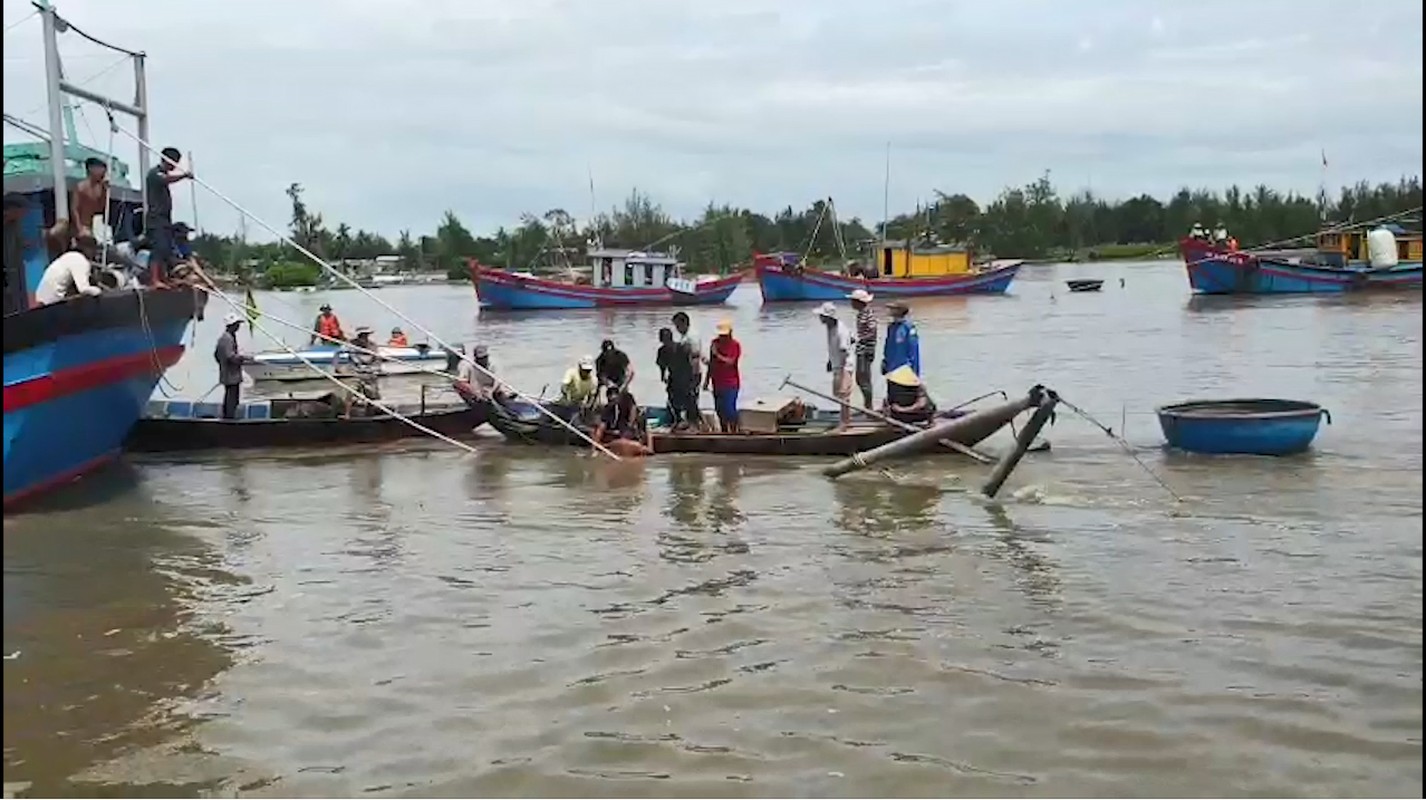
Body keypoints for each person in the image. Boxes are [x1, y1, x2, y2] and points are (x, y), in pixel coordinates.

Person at [144, 146, 193, 287]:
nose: (175, 165)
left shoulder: (162, 174)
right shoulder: (155, 174)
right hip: (155, 219)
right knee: (158, 248)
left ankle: (163, 278)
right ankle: (154, 280)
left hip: (165, 219)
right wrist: (184, 176)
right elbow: (166, 180)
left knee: (165, 249)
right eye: (174, 162)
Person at [817, 302, 854, 430]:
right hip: (837, 364)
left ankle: (845, 422)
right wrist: (830, 361)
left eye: (822, 316)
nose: (820, 318)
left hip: (844, 366)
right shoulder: (830, 327)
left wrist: (843, 371)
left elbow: (844, 350)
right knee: (837, 393)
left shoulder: (840, 330)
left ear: (828, 317)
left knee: (844, 394)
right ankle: (845, 417)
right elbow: (852, 339)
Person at [35, 235, 101, 306]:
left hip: (42, 297)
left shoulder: (69, 256)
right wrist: (99, 292)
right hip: (52, 302)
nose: (95, 252)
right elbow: (83, 288)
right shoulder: (81, 261)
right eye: (94, 249)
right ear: (89, 249)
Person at [656, 327, 699, 430]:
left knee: (684, 401)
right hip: (678, 378)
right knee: (679, 401)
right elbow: (662, 366)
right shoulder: (680, 347)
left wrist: (663, 376)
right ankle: (682, 421)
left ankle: (689, 422)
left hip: (682, 378)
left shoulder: (680, 348)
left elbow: (662, 366)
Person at [703, 319, 741, 433]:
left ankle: (735, 431)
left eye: (725, 335)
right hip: (717, 382)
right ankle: (724, 432)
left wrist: (717, 354)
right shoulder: (715, 343)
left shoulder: (735, 345)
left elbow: (731, 362)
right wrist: (706, 380)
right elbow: (712, 363)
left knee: (730, 410)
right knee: (720, 410)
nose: (722, 337)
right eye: (721, 335)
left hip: (731, 383)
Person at [593, 388, 654, 454]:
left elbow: (648, 433)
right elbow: (601, 427)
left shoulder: (634, 411)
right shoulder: (610, 409)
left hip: (629, 439)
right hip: (626, 439)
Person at [339, 326, 382, 416]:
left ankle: (370, 415)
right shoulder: (352, 345)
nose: (364, 338)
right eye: (362, 336)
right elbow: (351, 358)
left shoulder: (372, 345)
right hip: (356, 373)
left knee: (371, 395)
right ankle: (347, 414)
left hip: (369, 372)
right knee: (350, 392)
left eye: (366, 335)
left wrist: (374, 369)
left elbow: (377, 360)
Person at [849, 288, 877, 409]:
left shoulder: (867, 313)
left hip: (866, 350)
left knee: (863, 379)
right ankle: (868, 405)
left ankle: (868, 406)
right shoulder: (862, 314)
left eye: (853, 301)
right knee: (862, 378)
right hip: (862, 348)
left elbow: (872, 331)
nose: (851, 303)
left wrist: (859, 339)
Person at [214, 312, 245, 419]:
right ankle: (229, 419)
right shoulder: (227, 338)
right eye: (237, 324)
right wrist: (242, 358)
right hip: (230, 375)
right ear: (232, 325)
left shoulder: (228, 337)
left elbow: (217, 355)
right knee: (231, 398)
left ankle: (229, 417)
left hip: (230, 374)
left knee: (231, 397)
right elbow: (230, 356)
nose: (238, 326)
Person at [881, 301, 921, 378]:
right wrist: (885, 362)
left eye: (892, 309)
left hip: (905, 370)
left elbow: (913, 350)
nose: (889, 311)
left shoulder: (908, 327)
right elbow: (888, 347)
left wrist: (913, 371)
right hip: (892, 370)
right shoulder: (891, 327)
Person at [71, 157, 108, 240]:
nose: (103, 173)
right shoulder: (81, 187)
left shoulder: (101, 188)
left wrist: (105, 191)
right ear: (91, 169)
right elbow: (74, 209)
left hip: (95, 227)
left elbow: (102, 208)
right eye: (100, 169)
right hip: (82, 226)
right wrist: (79, 228)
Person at [4, 193, 29, 314]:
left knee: (18, 302)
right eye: (22, 211)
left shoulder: (14, 224)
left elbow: (19, 242)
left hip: (14, 268)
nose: (23, 215)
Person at [671, 311, 704, 390]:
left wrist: (694, 378)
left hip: (692, 373)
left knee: (690, 399)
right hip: (686, 373)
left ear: (684, 323)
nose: (677, 329)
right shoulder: (685, 336)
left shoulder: (692, 336)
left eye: (678, 325)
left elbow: (695, 356)